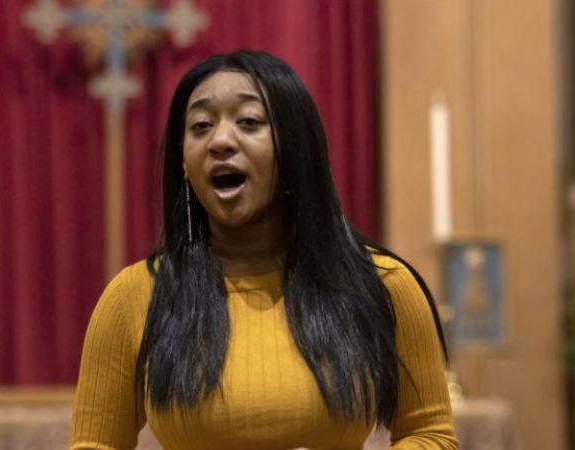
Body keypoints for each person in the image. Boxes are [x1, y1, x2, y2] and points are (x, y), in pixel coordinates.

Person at [69, 50, 458, 450]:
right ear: (184, 163)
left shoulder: (383, 284)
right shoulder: (134, 296)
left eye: (249, 122)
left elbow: (431, 436)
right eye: (200, 126)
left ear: (294, 146)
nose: (220, 141)